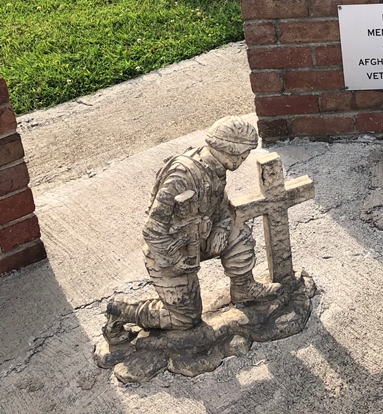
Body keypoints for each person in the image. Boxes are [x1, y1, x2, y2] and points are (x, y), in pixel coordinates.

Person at [104, 117, 280, 342]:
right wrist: (175, 260)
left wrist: (222, 230)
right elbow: (152, 229)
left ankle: (243, 288)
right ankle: (121, 311)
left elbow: (223, 205)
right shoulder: (182, 176)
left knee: (238, 232)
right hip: (169, 250)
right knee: (185, 319)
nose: (245, 159)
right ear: (229, 150)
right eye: (243, 154)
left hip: (200, 238)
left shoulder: (216, 167)